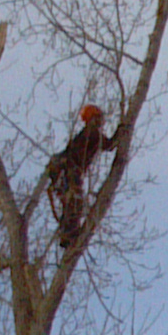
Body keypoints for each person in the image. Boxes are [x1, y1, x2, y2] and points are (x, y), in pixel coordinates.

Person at [41, 103, 117, 249]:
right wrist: (123, 130)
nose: (102, 123)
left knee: (70, 203)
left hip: (65, 173)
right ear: (94, 119)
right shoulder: (92, 132)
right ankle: (69, 234)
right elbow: (110, 145)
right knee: (75, 202)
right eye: (100, 119)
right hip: (71, 171)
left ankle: (66, 234)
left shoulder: (84, 134)